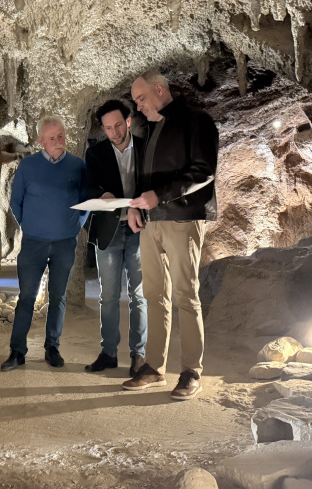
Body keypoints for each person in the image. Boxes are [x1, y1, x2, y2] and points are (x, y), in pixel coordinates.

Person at [121, 70, 219, 401]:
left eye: (142, 99)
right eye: (135, 101)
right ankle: (154, 367)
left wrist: (159, 196)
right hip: (150, 223)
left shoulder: (197, 121)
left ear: (159, 89)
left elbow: (203, 172)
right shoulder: (147, 131)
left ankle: (192, 371)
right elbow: (141, 175)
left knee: (185, 296)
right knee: (153, 294)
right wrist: (135, 206)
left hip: (183, 219)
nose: (138, 107)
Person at [1, 116, 88, 372]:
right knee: (26, 297)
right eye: (52, 138)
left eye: (61, 136)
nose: (58, 142)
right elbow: (15, 202)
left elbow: (86, 203)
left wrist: (74, 227)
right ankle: (17, 351)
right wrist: (30, 227)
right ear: (40, 141)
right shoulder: (28, 166)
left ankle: (52, 348)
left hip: (64, 243)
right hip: (33, 243)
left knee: (58, 297)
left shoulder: (77, 166)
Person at [84, 99, 148, 377]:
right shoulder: (95, 153)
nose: (115, 132)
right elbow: (87, 185)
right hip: (109, 230)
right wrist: (102, 195)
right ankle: (109, 352)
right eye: (108, 128)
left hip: (140, 229)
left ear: (129, 121)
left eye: (119, 125)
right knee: (107, 296)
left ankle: (139, 355)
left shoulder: (147, 147)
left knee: (139, 295)